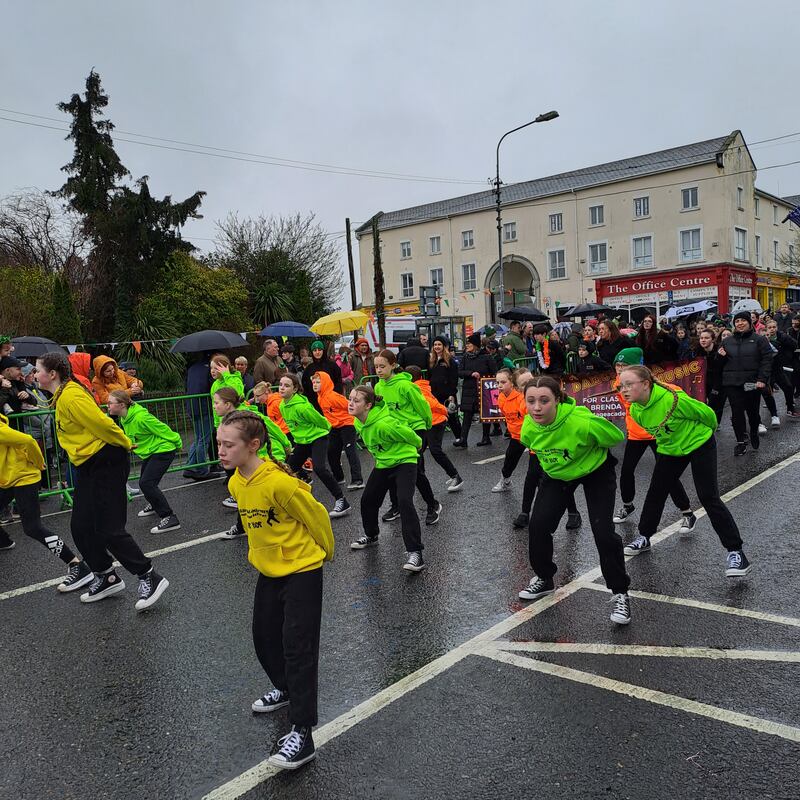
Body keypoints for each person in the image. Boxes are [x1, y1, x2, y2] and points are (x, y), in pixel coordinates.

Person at [218, 410, 332, 770]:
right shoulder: (236, 482)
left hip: (302, 569)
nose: (220, 450)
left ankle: (303, 732)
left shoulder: (279, 483)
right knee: (264, 638)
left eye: (228, 444)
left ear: (253, 445)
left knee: (297, 647)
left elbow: (316, 516)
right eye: (219, 443)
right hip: (270, 571)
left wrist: (324, 554)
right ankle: (284, 688)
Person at [35, 351, 169, 610]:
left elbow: (104, 425)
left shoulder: (71, 396)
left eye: (38, 370)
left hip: (105, 460)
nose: (34, 374)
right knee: (82, 526)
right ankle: (106, 576)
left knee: (108, 528)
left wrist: (125, 443)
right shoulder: (61, 397)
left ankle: (149, 576)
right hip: (89, 464)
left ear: (52, 374)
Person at [516, 376, 631, 626]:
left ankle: (620, 592)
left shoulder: (581, 422)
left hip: (595, 472)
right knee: (538, 526)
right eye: (531, 401)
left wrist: (589, 448)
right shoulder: (527, 427)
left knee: (603, 533)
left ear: (557, 400)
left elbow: (614, 436)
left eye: (544, 401)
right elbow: (532, 448)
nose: (537, 407)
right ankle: (545, 578)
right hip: (558, 475)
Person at [618, 365, 752, 578]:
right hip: (671, 449)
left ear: (645, 384)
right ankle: (644, 536)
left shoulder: (673, 400)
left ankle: (736, 552)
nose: (623, 390)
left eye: (628, 384)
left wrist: (703, 435)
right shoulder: (635, 410)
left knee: (708, 496)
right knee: (656, 492)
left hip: (699, 443)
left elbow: (707, 415)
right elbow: (659, 434)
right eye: (620, 386)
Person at [0, 410, 94, 591]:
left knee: (33, 528)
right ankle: (3, 541)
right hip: (8, 479)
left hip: (24, 478)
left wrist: (39, 463)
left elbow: (28, 440)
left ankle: (77, 566)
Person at [608, 348, 695, 536]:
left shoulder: (647, 384)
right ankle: (628, 505)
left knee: (667, 475)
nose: (619, 369)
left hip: (656, 433)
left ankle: (687, 512)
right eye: (617, 365)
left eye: (623, 365)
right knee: (626, 471)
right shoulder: (618, 383)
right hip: (636, 434)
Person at [347, 384, 427, 572]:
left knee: (405, 502)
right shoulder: (358, 421)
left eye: (356, 400)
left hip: (404, 461)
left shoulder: (384, 424)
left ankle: (416, 553)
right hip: (384, 463)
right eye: (350, 399)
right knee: (368, 500)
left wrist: (418, 446)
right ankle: (372, 535)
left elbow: (410, 435)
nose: (350, 403)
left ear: (368, 406)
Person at [373, 350, 441, 525]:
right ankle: (396, 506)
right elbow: (380, 409)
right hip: (395, 432)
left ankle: (432, 505)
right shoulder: (378, 386)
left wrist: (426, 427)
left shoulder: (406, 386)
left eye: (382, 366)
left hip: (415, 429)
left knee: (415, 471)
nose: (379, 370)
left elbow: (423, 407)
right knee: (391, 468)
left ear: (393, 365)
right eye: (376, 367)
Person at [107, 391, 183, 534]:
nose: (107, 405)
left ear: (122, 405)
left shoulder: (141, 417)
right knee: (145, 481)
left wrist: (178, 442)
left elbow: (163, 429)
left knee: (146, 483)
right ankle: (155, 504)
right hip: (151, 452)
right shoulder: (125, 418)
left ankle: (169, 517)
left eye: (110, 403)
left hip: (163, 450)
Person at [277, 374, 351, 518]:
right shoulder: (282, 405)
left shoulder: (302, 407)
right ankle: (292, 503)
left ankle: (342, 501)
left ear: (295, 389)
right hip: (302, 441)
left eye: (287, 386)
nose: (282, 388)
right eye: (280, 385)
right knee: (287, 470)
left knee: (320, 468)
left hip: (318, 438)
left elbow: (321, 421)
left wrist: (327, 430)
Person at [719, 311, 773, 456]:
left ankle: (753, 432)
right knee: (736, 413)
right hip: (732, 383)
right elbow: (719, 364)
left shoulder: (759, 340)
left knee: (753, 412)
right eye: (737, 321)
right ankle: (741, 441)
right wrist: (720, 357)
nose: (740, 323)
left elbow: (767, 360)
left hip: (752, 383)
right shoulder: (727, 341)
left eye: (743, 320)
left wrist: (762, 379)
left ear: (749, 322)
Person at [405, 365, 463, 492]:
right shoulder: (418, 386)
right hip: (427, 423)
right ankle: (420, 478)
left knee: (435, 450)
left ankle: (455, 476)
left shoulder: (417, 389)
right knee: (418, 451)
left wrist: (445, 411)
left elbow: (432, 404)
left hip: (435, 422)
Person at [311, 371, 364, 490]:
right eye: (313, 382)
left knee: (351, 452)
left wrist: (360, 420)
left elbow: (350, 406)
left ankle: (358, 480)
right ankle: (339, 477)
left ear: (325, 382)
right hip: (335, 427)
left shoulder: (333, 396)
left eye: (318, 382)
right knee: (331, 452)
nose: (314, 384)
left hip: (347, 425)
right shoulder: (320, 397)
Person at [210, 354, 245, 506]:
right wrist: (218, 425)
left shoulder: (234, 379)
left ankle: (238, 494)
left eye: (215, 367)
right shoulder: (215, 384)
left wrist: (227, 376)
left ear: (224, 366)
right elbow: (215, 406)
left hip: (235, 422)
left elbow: (237, 393)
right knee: (227, 460)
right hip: (222, 424)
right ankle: (237, 492)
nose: (212, 371)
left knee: (234, 460)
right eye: (211, 368)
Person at [453, 333, 496, 448]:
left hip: (483, 389)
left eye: (469, 343)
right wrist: (470, 373)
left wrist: (485, 379)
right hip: (468, 390)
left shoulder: (486, 357)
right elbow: (460, 372)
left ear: (476, 345)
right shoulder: (465, 357)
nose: (467, 346)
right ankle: (463, 439)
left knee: (484, 413)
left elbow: (494, 372)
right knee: (467, 414)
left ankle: (486, 437)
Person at [183, 353, 215, 480]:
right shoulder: (209, 368)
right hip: (204, 407)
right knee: (203, 439)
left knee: (198, 438)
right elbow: (212, 388)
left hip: (192, 406)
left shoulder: (192, 368)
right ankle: (202, 470)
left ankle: (190, 467)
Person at [765, 319, 800, 418]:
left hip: (778, 367)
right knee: (767, 391)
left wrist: (786, 354)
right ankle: (773, 414)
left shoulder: (782, 336)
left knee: (788, 387)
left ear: (777, 327)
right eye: (770, 328)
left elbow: (794, 345)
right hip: (767, 369)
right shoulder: (762, 338)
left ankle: (790, 409)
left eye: (774, 327)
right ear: (766, 329)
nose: (772, 329)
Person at [428, 336, 461, 440]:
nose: (437, 347)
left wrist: (452, 394)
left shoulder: (450, 360)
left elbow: (453, 378)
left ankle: (459, 437)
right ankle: (435, 439)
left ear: (444, 346)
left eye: (439, 344)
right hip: (434, 393)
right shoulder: (431, 360)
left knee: (451, 417)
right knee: (436, 416)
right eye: (435, 345)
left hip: (447, 394)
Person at [301, 341, 343, 412]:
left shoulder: (332, 366)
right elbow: (305, 385)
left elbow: (338, 382)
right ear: (312, 352)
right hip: (314, 402)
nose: (317, 352)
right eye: (315, 350)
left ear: (324, 351)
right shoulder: (309, 368)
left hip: (330, 402)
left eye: (319, 350)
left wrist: (334, 396)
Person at [697, 330, 727, 425]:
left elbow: (719, 368)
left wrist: (720, 357)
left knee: (715, 404)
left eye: (706, 338)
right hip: (703, 382)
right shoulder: (697, 351)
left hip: (718, 382)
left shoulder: (720, 351)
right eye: (701, 338)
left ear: (713, 339)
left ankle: (715, 424)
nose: (703, 340)